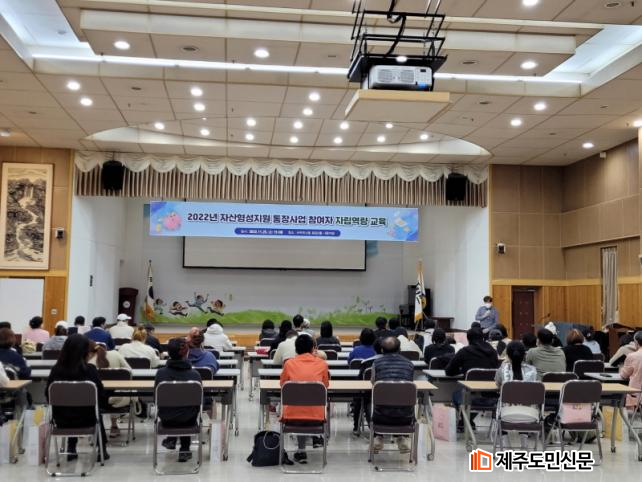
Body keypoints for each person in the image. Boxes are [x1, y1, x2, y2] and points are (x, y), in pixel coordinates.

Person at [46, 334, 109, 461]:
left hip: (61, 420)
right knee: (96, 412)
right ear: (86, 351)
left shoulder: (56, 370)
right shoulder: (90, 370)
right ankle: (102, 450)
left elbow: (48, 395)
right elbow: (100, 394)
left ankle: (71, 447)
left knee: (71, 408)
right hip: (88, 419)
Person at [279, 334, 329, 464]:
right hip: (317, 417)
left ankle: (301, 450)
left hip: (291, 417)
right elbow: (325, 386)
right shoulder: (322, 364)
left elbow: (283, 385)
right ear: (313, 348)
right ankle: (310, 443)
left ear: (296, 349)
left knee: (299, 407)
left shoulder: (289, 364)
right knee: (308, 406)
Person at [154, 338, 202, 462]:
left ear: (168, 353)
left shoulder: (160, 374)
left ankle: (172, 439)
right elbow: (199, 401)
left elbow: (156, 399)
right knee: (187, 409)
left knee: (176, 408)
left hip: (166, 419)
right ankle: (184, 449)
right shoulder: (195, 375)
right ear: (186, 353)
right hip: (189, 420)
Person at [372, 337, 415, 453]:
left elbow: (373, 383)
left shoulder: (376, 363)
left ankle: (378, 437)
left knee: (375, 399)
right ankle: (402, 438)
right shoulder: (409, 364)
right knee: (400, 399)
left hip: (380, 416)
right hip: (406, 417)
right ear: (400, 349)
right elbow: (408, 385)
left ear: (382, 350)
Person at [89, 342, 132, 438]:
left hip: (96, 401)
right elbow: (129, 371)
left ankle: (92, 427)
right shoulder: (115, 354)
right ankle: (114, 425)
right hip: (118, 399)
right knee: (114, 391)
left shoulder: (89, 361)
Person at [619, 331, 642, 408]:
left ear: (636, 342)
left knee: (630, 412)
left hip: (636, 393)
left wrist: (621, 368)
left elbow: (624, 375)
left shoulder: (632, 356)